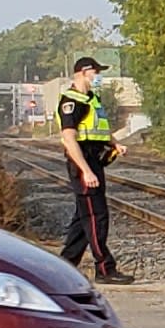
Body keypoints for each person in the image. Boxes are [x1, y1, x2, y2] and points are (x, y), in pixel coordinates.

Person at [55, 56, 133, 285]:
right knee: (96, 216)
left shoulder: (92, 99)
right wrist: (86, 171)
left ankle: (64, 267)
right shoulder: (71, 101)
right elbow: (69, 139)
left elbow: (99, 129)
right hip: (82, 163)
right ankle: (104, 269)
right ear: (83, 72)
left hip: (94, 160)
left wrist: (113, 144)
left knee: (83, 218)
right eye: (96, 72)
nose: (99, 77)